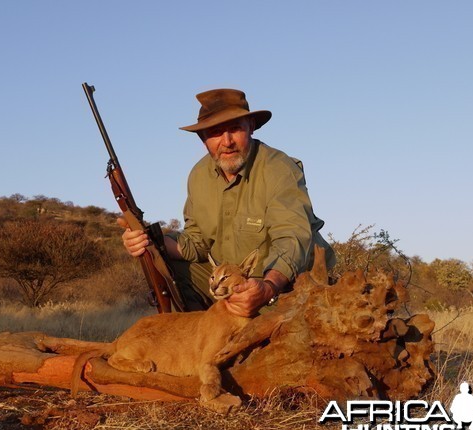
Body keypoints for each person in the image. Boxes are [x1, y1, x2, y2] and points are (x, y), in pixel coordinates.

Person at [119, 88, 335, 316]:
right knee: (165, 266)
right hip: (231, 281)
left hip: (282, 283)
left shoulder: (278, 168)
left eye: (235, 129)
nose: (227, 141)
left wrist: (268, 288)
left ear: (250, 127)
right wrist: (147, 239)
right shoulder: (198, 176)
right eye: (215, 132)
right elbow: (196, 243)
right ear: (203, 139)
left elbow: (292, 237)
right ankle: (200, 342)